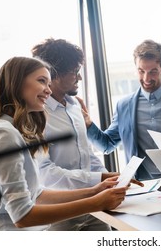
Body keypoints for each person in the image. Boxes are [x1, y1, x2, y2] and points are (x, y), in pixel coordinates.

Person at [0, 57, 126, 231]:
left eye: (49, 84)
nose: (48, 91)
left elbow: (37, 195)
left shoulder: (10, 130)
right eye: (42, 81)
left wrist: (95, 190)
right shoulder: (3, 133)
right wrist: (96, 203)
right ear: (16, 82)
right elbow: (22, 216)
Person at [31, 38, 142, 231]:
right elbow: (46, 173)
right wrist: (100, 178)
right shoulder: (36, 115)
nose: (79, 78)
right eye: (74, 72)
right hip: (60, 212)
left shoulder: (75, 106)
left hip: (94, 206)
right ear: (54, 75)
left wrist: (112, 182)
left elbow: (87, 154)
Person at [82, 39, 161, 180]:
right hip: (143, 184)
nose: (146, 78)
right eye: (141, 71)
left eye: (153, 72)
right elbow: (107, 144)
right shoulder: (123, 106)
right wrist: (88, 125)